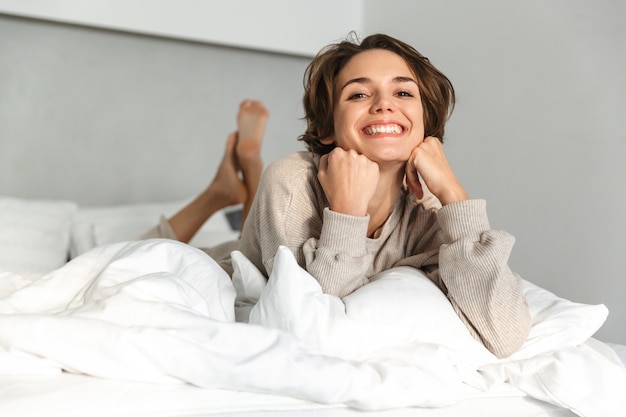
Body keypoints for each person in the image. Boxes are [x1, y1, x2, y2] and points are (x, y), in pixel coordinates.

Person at [146, 33, 531, 359]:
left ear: (426, 122)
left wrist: (453, 195)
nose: (384, 104)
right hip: (234, 264)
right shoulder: (291, 180)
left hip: (263, 241)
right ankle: (219, 192)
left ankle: (233, 188)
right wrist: (347, 213)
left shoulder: (427, 210)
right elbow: (310, 323)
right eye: (359, 94)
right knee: (143, 255)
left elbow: (503, 334)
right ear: (327, 128)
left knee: (254, 233)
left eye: (402, 91)